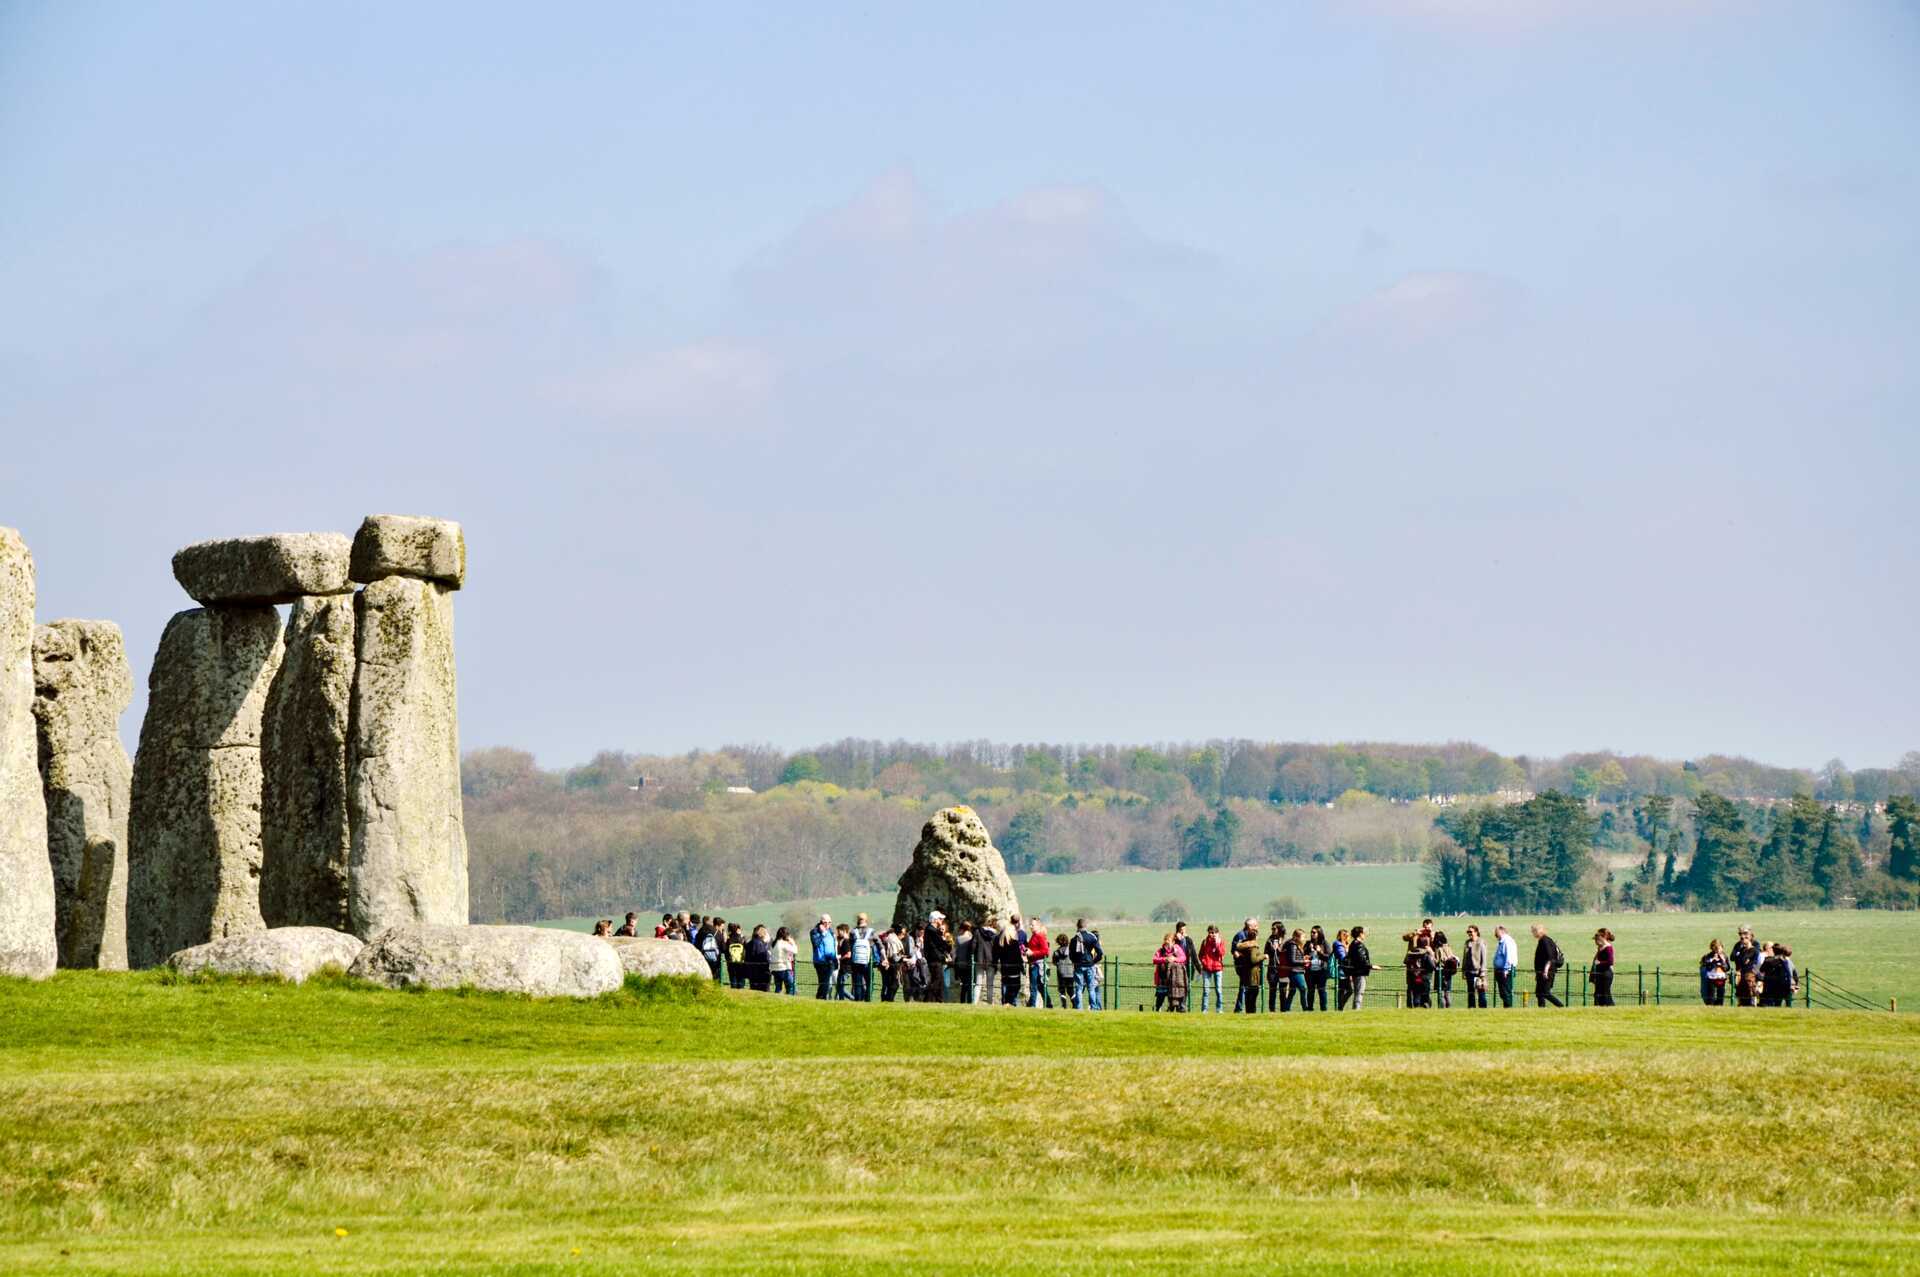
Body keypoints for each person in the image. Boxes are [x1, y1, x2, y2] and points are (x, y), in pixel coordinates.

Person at [1070, 919, 1104, 1010]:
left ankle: (1079, 1008)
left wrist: (1075, 962)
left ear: (1077, 926)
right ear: (1086, 926)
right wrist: (1094, 961)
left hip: (1078, 966)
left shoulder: (1074, 939)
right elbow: (1100, 952)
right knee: (1091, 988)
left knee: (1079, 988)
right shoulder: (1092, 937)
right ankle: (1094, 1008)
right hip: (1090, 965)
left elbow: (1071, 955)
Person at [1232, 919, 1264, 1014]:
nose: (1257, 927)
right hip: (1244, 967)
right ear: (1250, 927)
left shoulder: (1247, 937)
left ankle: (1243, 1008)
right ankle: (1241, 1008)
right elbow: (1235, 951)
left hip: (1246, 966)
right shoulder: (1241, 935)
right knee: (1247, 988)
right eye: (1256, 926)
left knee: (1245, 988)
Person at [994, 917, 1027, 1005]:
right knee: (1015, 988)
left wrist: (995, 966)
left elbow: (996, 956)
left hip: (1004, 970)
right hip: (1014, 970)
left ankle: (1005, 1003)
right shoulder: (1014, 943)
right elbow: (1018, 957)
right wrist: (1022, 968)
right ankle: (1011, 1003)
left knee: (1005, 987)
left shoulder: (1000, 942)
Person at [1531, 924, 1565, 1007]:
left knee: (1545, 993)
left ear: (1538, 931)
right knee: (1539, 993)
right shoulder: (1544, 940)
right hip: (1542, 971)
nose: (1532, 933)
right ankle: (1541, 1009)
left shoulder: (1544, 940)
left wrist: (1545, 970)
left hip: (1547, 971)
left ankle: (1561, 1007)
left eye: (1533, 931)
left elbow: (1550, 957)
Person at [924, 911, 954, 1003]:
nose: (941, 920)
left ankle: (939, 1000)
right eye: (940, 919)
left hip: (935, 959)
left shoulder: (931, 930)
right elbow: (940, 944)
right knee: (936, 981)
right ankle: (927, 1000)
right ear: (935, 919)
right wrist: (948, 944)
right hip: (935, 959)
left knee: (939, 981)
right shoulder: (932, 931)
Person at [1730, 927, 1763, 1008]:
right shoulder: (1740, 947)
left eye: (1745, 935)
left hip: (1750, 974)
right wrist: (1739, 951)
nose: (1742, 937)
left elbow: (1748, 961)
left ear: (1750, 936)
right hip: (1741, 973)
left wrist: (1742, 957)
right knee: (1741, 994)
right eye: (1740, 935)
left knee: (1750, 992)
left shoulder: (1755, 947)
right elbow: (1733, 957)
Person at [1197, 924, 1226, 1013]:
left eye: (1213, 933)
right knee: (1206, 990)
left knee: (1219, 990)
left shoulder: (1221, 942)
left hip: (1218, 968)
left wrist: (1217, 944)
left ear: (1217, 933)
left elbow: (1222, 953)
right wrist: (1203, 961)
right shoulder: (1205, 942)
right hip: (1207, 968)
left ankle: (1219, 1009)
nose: (1211, 934)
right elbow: (1200, 954)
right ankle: (1204, 1010)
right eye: (1210, 933)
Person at [848, 914, 876, 1002]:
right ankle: (868, 999)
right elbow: (879, 944)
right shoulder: (871, 932)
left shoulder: (853, 932)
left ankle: (858, 1000)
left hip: (856, 961)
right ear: (867, 920)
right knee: (869, 982)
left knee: (857, 982)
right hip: (868, 961)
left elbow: (850, 946)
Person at [1025, 918, 1053, 1008]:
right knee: (1039, 986)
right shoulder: (1033, 936)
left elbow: (1045, 951)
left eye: (1032, 925)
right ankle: (1048, 1004)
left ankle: (1033, 1005)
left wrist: (1032, 953)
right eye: (1030, 925)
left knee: (1034, 986)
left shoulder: (1040, 936)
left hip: (1037, 965)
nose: (1030, 926)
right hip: (1033, 964)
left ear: (1038, 926)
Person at [1760, 943, 1797, 1007]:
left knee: (1775, 1004)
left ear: (1773, 950)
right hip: (1786, 984)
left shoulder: (1768, 960)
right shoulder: (1787, 961)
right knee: (1788, 1003)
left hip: (1770, 985)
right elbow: (1794, 974)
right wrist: (1795, 985)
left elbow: (1761, 970)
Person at [809, 914, 837, 1000]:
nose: (827, 924)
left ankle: (821, 998)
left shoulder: (831, 931)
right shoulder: (815, 931)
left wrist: (835, 959)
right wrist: (823, 933)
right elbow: (815, 943)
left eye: (829, 922)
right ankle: (821, 998)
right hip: (820, 961)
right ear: (821, 922)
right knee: (824, 982)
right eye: (825, 922)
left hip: (830, 961)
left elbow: (832, 946)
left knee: (826, 982)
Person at [1461, 925, 1488, 1009]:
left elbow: (1484, 958)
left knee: (1481, 991)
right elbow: (1465, 957)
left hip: (1479, 972)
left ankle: (1482, 1008)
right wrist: (1463, 970)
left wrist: (1482, 972)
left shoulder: (1481, 942)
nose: (1469, 933)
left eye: (1471, 932)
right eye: (1468, 932)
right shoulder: (1467, 942)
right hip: (1469, 972)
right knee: (1470, 992)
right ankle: (1471, 1008)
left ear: (1476, 932)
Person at [1304, 925, 1331, 1011]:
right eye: (1311, 932)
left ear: (1319, 933)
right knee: (1310, 991)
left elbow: (1329, 957)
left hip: (1321, 971)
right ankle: (1310, 1009)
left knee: (1321, 990)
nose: (1312, 934)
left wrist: (1320, 952)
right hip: (1310, 971)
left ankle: (1323, 1009)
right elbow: (1303, 955)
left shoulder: (1324, 943)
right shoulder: (1308, 944)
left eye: (1314, 932)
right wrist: (1309, 951)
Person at [1403, 932, 1433, 1009]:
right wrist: (1432, 954)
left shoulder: (1411, 953)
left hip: (1413, 977)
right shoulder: (1426, 954)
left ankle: (1416, 1007)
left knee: (1416, 994)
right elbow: (1432, 966)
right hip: (1424, 978)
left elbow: (1405, 961)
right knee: (1425, 995)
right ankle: (1425, 1006)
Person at [1282, 928, 1309, 1012]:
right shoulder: (1293, 945)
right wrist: (1303, 961)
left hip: (1296, 970)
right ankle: (1305, 1008)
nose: (1304, 939)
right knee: (1303, 988)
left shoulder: (1294, 945)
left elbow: (1294, 958)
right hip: (1296, 971)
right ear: (1297, 937)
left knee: (1292, 991)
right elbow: (1292, 960)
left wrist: (1303, 958)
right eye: (1303, 937)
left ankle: (1286, 1009)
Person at [1347, 925, 1374, 1010]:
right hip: (1360, 973)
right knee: (1359, 993)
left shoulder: (1353, 944)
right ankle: (1356, 1010)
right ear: (1360, 934)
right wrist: (1371, 966)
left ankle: (1355, 1009)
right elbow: (1362, 960)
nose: (1365, 934)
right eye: (1363, 933)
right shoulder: (1359, 945)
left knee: (1357, 992)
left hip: (1355, 972)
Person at [877, 924, 906, 1002]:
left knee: (887, 984)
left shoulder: (889, 937)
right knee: (893, 984)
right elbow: (894, 956)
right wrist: (903, 958)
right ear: (898, 932)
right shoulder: (893, 939)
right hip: (891, 965)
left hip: (887, 963)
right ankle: (888, 1000)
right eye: (903, 933)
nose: (903, 936)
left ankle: (886, 1000)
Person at [1153, 932, 1181, 1012]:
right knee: (1160, 997)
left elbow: (1183, 958)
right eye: (1165, 940)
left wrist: (1174, 959)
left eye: (1168, 940)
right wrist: (1164, 959)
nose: (1166, 942)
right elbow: (1154, 959)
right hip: (1161, 979)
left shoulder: (1177, 949)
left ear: (1173, 942)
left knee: (1172, 997)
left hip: (1173, 979)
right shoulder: (1160, 951)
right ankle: (1158, 1010)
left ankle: (1170, 1011)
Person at [1264, 921, 1289, 1012]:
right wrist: (1270, 951)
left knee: (1283, 991)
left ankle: (1283, 1010)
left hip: (1283, 969)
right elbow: (1265, 952)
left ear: (1280, 929)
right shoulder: (1269, 940)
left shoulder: (1286, 940)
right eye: (1272, 928)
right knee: (1272, 991)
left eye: (1274, 928)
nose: (1272, 930)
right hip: (1272, 969)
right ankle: (1272, 1010)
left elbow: (1289, 953)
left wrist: (1279, 948)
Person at [1492, 925, 1519, 1008]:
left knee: (1506, 992)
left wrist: (1506, 970)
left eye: (1496, 932)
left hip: (1505, 971)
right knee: (1503, 993)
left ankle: (1508, 1009)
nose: (1495, 935)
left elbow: (1509, 957)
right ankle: (1507, 1008)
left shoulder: (1506, 941)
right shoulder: (1503, 941)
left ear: (1501, 931)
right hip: (1501, 970)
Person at [1175, 923, 1199, 1012]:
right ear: (1177, 930)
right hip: (1178, 967)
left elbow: (1193, 954)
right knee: (1178, 986)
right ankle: (1177, 1005)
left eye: (1184, 929)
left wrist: (1199, 968)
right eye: (1181, 930)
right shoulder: (1174, 940)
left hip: (1188, 967)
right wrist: (1179, 940)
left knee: (1187, 986)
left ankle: (1183, 1005)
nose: (1183, 931)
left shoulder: (1188, 940)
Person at [953, 920, 978, 1004]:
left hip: (960, 964)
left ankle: (962, 1001)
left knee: (963, 984)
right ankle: (969, 1001)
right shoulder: (971, 938)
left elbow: (955, 952)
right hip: (969, 964)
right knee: (970, 984)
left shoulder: (958, 938)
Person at [743, 924, 773, 993]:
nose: (766, 934)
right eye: (765, 932)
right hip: (761, 973)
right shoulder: (759, 943)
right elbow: (762, 958)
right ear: (761, 934)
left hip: (752, 972)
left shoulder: (750, 943)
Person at [1700, 938, 1730, 1006]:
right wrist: (1712, 960)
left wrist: (1723, 961)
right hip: (1711, 978)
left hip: (1721, 978)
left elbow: (1727, 968)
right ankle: (1711, 1005)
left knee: (1720, 993)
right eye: (1715, 948)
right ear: (1712, 948)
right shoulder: (1708, 956)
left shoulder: (1724, 956)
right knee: (1711, 994)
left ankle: (1719, 1005)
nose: (1718, 950)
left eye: (1719, 947)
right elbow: (1706, 966)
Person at [1590, 928, 1616, 1006]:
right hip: (1600, 973)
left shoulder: (1608, 948)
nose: (1595, 942)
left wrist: (1599, 963)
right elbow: (1595, 962)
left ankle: (1610, 1007)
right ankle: (1599, 1008)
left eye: (1596, 940)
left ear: (1601, 938)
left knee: (1605, 993)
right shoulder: (1600, 948)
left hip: (1606, 973)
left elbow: (1610, 962)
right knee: (1598, 994)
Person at [1053, 930, 1078, 1007]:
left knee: (1062, 991)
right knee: (1071, 990)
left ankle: (1064, 1006)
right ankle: (1075, 1005)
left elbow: (1054, 962)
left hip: (1061, 974)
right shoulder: (1071, 951)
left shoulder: (1056, 952)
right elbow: (1075, 960)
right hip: (1070, 973)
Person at [1432, 929, 1456, 1009]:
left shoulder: (1438, 948)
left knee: (1441, 993)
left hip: (1441, 972)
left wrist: (1431, 956)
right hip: (1449, 972)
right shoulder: (1448, 947)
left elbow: (1438, 961)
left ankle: (1442, 1008)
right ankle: (1448, 1008)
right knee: (1447, 992)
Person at [771, 925, 798, 995]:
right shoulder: (783, 943)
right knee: (791, 987)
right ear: (786, 935)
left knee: (778, 988)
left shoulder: (774, 944)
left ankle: (777, 999)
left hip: (774, 969)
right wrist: (793, 942)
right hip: (784, 969)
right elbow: (795, 951)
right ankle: (790, 1000)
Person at [1332, 928, 1352, 1011]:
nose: (1348, 938)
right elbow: (1343, 958)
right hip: (1342, 971)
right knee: (1348, 990)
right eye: (1347, 936)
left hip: (1345, 970)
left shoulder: (1344, 945)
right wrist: (1347, 951)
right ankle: (1340, 1006)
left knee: (1342, 990)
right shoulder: (1339, 945)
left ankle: (1340, 1007)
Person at [725, 923, 749, 990]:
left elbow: (726, 951)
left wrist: (727, 960)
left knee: (733, 979)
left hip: (731, 963)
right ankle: (741, 990)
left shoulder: (729, 939)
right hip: (741, 962)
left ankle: (733, 991)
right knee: (741, 979)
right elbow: (747, 949)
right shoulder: (742, 939)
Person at [833, 923, 853, 1000]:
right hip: (842, 968)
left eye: (839, 931)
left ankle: (852, 998)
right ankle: (841, 999)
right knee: (839, 985)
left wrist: (839, 958)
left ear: (844, 931)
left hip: (846, 968)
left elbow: (848, 954)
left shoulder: (846, 941)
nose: (838, 933)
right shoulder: (843, 941)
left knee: (840, 985)